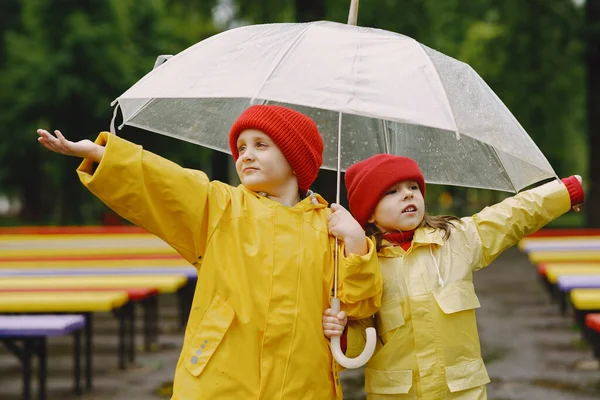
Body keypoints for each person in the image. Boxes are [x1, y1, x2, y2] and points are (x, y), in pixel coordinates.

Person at [37, 105, 383, 399]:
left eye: (261, 145)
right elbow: (164, 182)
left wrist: (354, 244)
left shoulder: (332, 227)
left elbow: (361, 309)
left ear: (295, 159)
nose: (246, 154)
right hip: (220, 381)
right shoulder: (219, 206)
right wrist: (103, 155)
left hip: (303, 386)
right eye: (241, 147)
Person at [322, 154, 584, 399]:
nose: (407, 195)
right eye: (392, 192)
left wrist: (563, 192)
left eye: (413, 187)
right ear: (369, 212)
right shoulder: (362, 265)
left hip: (462, 391)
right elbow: (361, 337)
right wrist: (342, 334)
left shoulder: (455, 240)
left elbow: (512, 215)